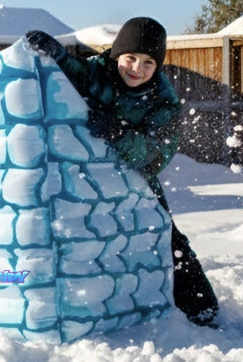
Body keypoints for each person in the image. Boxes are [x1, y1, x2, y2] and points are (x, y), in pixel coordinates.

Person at [23, 17, 220, 326]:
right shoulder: (96, 73)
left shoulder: (163, 102)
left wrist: (117, 132)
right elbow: (71, 71)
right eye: (130, 58)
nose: (136, 68)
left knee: (167, 240)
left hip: (137, 183)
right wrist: (55, 52)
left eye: (148, 63)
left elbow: (155, 157)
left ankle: (202, 311)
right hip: (83, 181)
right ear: (117, 55)